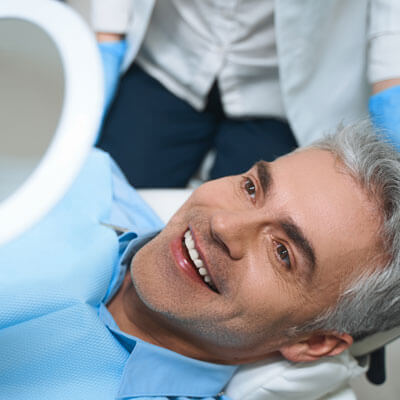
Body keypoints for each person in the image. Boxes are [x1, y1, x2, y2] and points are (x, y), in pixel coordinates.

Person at [1, 122, 400, 399]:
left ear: (313, 342)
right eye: (251, 188)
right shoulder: (83, 178)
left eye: (282, 253)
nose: (224, 224)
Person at [91, 1, 400, 188]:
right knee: (103, 200)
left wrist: (391, 78)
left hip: (279, 91)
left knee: (245, 248)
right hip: (170, 57)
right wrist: (106, 34)